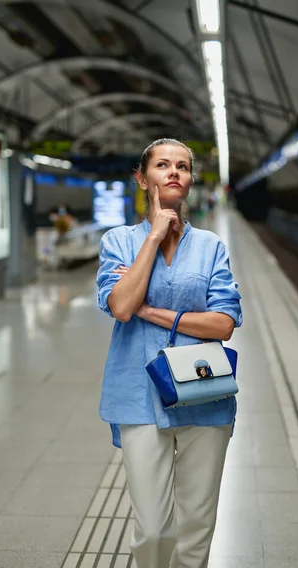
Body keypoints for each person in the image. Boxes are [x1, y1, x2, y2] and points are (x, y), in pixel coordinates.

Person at [97, 138, 242, 568]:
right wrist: (155, 234)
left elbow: (224, 323)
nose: (174, 172)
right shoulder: (120, 243)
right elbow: (121, 306)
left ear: (191, 181)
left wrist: (157, 313)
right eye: (162, 165)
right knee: (154, 528)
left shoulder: (211, 246)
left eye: (182, 166)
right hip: (138, 396)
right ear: (143, 179)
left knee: (197, 523)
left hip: (204, 393)